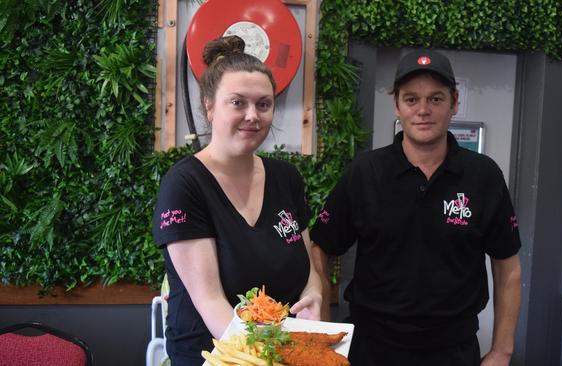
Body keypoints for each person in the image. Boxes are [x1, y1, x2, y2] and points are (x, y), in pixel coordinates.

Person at [311, 49, 522, 366]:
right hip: (372, 348)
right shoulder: (365, 173)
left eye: (435, 99)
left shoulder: (484, 176)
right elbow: (321, 249)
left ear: (454, 102)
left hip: (453, 350)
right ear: (397, 105)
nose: (423, 110)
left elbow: (508, 269)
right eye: (412, 99)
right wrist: (322, 338)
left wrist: (502, 351)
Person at [152, 35, 322, 365]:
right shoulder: (185, 185)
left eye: (263, 104)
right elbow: (212, 304)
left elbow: (308, 268)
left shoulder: (286, 178)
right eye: (237, 102)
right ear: (209, 106)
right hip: (216, 356)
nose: (252, 115)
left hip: (282, 350)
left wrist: (313, 295)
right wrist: (279, 357)